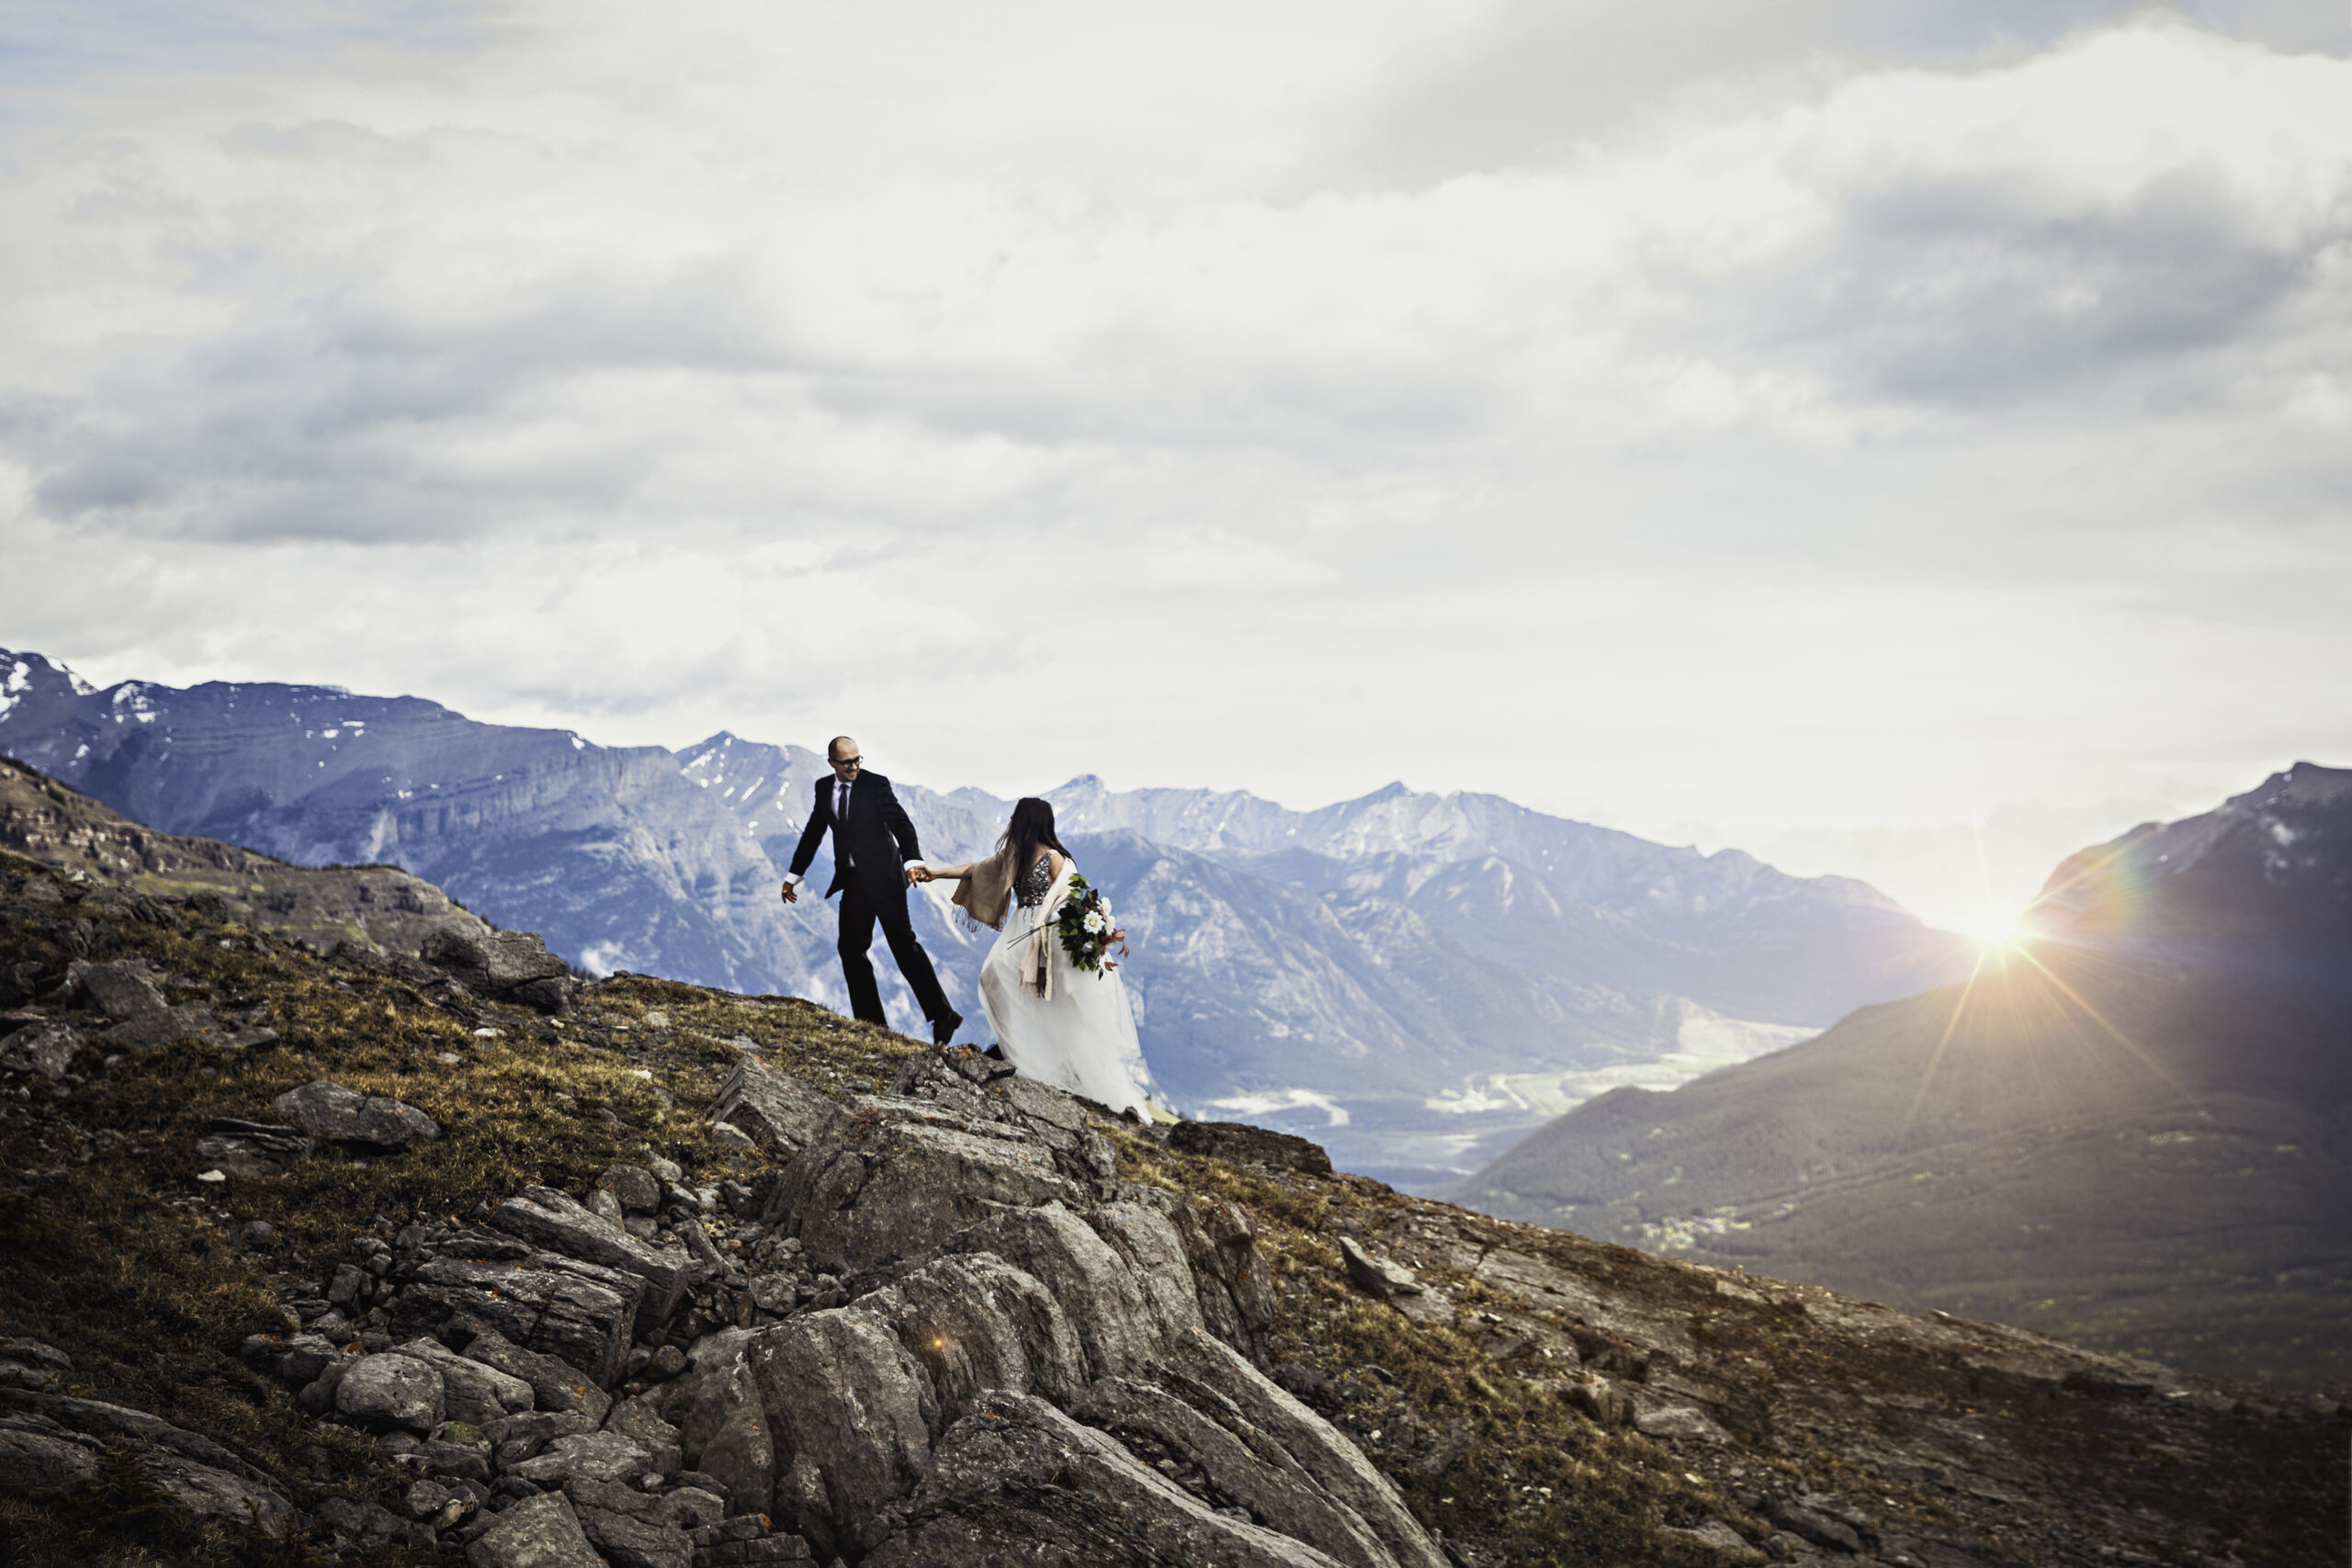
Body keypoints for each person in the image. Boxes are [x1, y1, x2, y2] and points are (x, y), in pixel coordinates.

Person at [915, 796, 1156, 1118]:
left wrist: (1054, 932)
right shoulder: (1015, 855)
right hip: (1020, 928)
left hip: (1044, 934)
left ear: (1028, 821)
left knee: (1042, 997)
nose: (1011, 821)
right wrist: (936, 873)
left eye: (1016, 817)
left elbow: (1070, 899)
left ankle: (1036, 1058)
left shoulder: (1056, 858)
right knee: (992, 976)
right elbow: (977, 869)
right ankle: (1016, 1048)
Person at [781, 737, 962, 1046]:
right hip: (853, 881)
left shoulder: (876, 785)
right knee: (850, 948)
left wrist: (912, 862)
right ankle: (872, 1024)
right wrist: (794, 875)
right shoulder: (824, 789)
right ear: (832, 764)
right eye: (846, 762)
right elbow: (813, 831)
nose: (853, 767)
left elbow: (902, 825)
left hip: (886, 878)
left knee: (903, 946)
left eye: (857, 760)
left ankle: (943, 1015)